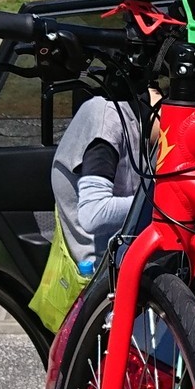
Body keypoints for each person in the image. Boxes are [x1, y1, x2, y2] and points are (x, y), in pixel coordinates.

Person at [28, 92, 148, 330]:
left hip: (114, 268)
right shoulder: (108, 120)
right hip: (100, 281)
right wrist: (163, 203)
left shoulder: (125, 120)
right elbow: (94, 213)